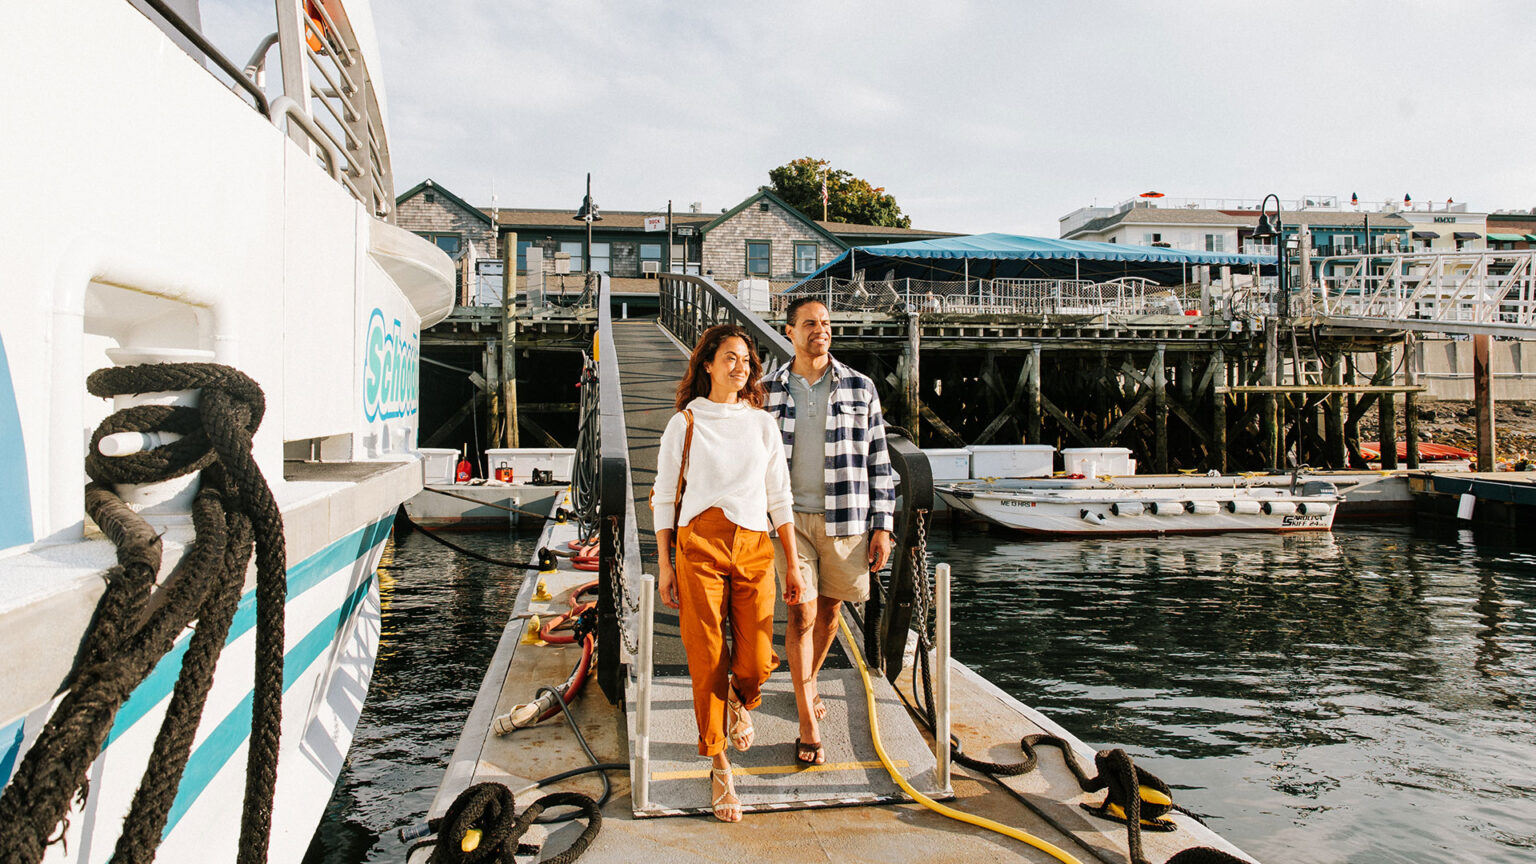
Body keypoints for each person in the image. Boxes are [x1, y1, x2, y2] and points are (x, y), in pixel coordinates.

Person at [652, 324, 805, 823]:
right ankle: (719, 763)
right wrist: (665, 562)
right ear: (708, 365)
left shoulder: (762, 424)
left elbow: (779, 497)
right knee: (706, 655)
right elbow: (663, 496)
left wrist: (794, 563)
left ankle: (741, 699)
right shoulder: (686, 423)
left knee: (758, 659)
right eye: (730, 358)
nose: (740, 367)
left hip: (755, 545)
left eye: (747, 360)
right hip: (698, 543)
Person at [765, 297, 895, 766]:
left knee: (831, 612)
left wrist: (884, 525)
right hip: (788, 519)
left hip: (846, 518)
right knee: (800, 614)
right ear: (789, 331)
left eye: (825, 323)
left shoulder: (861, 387)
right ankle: (806, 718)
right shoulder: (766, 389)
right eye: (808, 324)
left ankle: (808, 680)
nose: (819, 330)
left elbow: (879, 461)